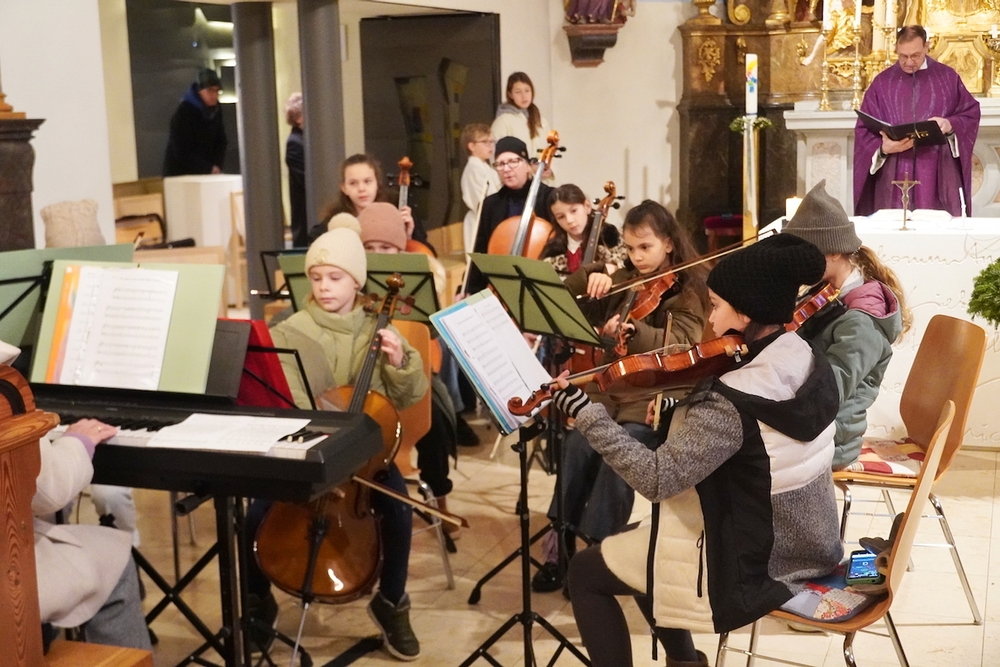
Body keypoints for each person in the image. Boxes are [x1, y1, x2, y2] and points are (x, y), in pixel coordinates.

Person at [549, 234, 843, 667]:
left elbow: (656, 479)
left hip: (755, 564)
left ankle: (683, 658)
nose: (711, 317)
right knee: (644, 541)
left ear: (746, 312)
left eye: (716, 305)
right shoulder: (807, 356)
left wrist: (587, 414)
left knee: (587, 572)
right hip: (811, 538)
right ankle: (685, 661)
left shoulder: (731, 401)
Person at [244, 222, 428, 661]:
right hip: (306, 449)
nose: (324, 286)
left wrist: (399, 362)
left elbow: (408, 397)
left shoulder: (380, 330)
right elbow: (290, 400)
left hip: (367, 458)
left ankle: (391, 602)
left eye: (335, 277)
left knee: (399, 511)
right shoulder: (290, 331)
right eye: (316, 277)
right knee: (255, 515)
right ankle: (257, 602)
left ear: (357, 282)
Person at [531, 200, 707, 593]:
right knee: (577, 446)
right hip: (609, 387)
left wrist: (635, 331)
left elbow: (682, 344)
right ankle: (560, 544)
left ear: (669, 244)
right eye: (629, 248)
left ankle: (600, 554)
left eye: (645, 247)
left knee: (620, 457)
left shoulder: (688, 289)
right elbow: (563, 304)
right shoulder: (623, 277)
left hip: (652, 395)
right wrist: (592, 274)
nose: (637, 257)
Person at [1, 340, 150, 651]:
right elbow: (47, 490)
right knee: (113, 556)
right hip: (7, 590)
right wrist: (77, 442)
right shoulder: (5, 388)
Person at [784, 179, 910, 469]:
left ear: (833, 252)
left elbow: (829, 392)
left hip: (831, 439)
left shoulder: (861, 319)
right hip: (815, 425)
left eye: (805, 252)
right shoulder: (825, 294)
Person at [357, 202, 463, 534]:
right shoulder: (355, 282)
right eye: (370, 248)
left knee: (436, 419)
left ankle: (440, 498)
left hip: (412, 371)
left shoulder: (415, 278)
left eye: (386, 248)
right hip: (365, 376)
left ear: (400, 249)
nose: (378, 255)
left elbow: (430, 333)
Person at [853, 25, 980, 217]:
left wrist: (949, 124)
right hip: (893, 171)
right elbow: (863, 130)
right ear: (896, 49)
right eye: (903, 56)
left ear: (926, 47)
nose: (909, 62)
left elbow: (970, 113)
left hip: (936, 170)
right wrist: (883, 148)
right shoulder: (882, 82)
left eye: (915, 55)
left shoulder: (947, 78)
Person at [466, 136, 555, 294]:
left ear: (527, 165)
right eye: (500, 164)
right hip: (500, 288)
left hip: (541, 286)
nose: (506, 169)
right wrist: (469, 290)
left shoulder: (549, 198)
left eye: (513, 161)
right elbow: (481, 252)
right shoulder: (490, 205)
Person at [311, 154, 418, 244]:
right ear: (344, 188)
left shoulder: (396, 211)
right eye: (353, 183)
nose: (361, 189)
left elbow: (423, 253)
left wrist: (408, 236)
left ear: (377, 183)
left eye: (367, 181)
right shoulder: (336, 221)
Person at [540, 184, 627, 278]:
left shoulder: (611, 237)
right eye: (561, 217)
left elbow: (629, 269)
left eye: (573, 211)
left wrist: (614, 268)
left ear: (587, 206)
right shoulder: (553, 252)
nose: (569, 220)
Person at [163, 67, 227, 176]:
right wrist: (207, 168)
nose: (214, 95)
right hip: (180, 174)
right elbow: (181, 150)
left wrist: (215, 166)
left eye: (216, 90)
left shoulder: (216, 109)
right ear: (199, 91)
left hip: (207, 171)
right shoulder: (184, 111)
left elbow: (221, 141)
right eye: (210, 90)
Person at [491, 72, 555, 182]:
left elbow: (551, 148)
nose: (524, 96)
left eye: (527, 91)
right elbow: (496, 155)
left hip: (542, 181)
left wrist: (549, 168)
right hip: (517, 182)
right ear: (510, 94)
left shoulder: (541, 121)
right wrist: (528, 168)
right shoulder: (503, 121)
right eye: (518, 92)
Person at [460, 123, 500, 254]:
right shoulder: (473, 169)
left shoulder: (487, 168)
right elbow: (481, 203)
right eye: (485, 142)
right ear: (472, 146)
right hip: (480, 223)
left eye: (492, 142)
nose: (491, 146)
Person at [285, 92, 309, 248]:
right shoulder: (295, 143)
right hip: (304, 211)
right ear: (299, 118)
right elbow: (306, 178)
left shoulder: (305, 138)